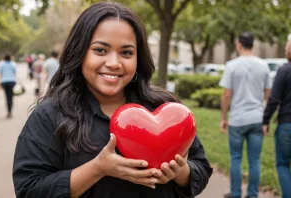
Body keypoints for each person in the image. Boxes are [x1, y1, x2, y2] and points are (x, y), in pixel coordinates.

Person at [12, 2, 212, 198]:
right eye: (100, 50)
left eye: (126, 53)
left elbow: (201, 168)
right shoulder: (50, 115)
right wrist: (98, 168)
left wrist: (182, 173)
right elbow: (29, 189)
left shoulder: (165, 109)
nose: (114, 63)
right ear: (80, 53)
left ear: (138, 58)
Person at [219, 32, 272, 198]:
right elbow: (268, 95)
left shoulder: (232, 65)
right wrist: (266, 117)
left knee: (236, 158)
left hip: (237, 120)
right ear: (253, 46)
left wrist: (223, 118)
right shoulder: (263, 65)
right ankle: (252, 194)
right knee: (254, 160)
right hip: (257, 118)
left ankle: (235, 194)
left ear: (239, 45)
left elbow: (226, 95)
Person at [263, 40, 291, 198]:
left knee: (282, 164)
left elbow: (274, 99)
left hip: (286, 125)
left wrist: (266, 120)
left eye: (287, 48)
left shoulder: (284, 70)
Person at [0, 53, 16, 119]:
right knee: (11, 97)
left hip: (4, 81)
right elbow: (15, 72)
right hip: (12, 81)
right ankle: (10, 111)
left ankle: (8, 111)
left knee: (7, 96)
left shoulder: (1, 64)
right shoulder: (13, 63)